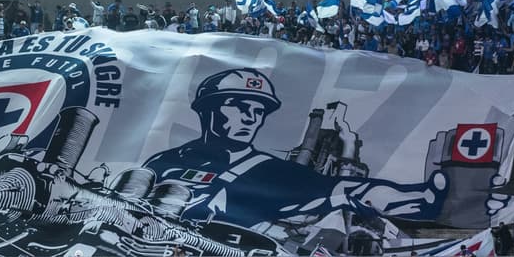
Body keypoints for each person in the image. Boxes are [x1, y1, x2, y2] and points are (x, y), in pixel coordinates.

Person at [140, 68, 460, 230]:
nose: (251, 118)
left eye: (259, 111)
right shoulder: (164, 161)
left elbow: (349, 190)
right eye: (239, 106)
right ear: (206, 110)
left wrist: (418, 200)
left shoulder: (273, 172)